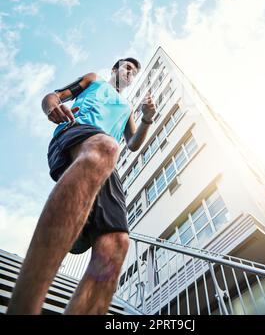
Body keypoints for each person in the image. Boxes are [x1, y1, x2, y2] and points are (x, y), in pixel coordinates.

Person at [6, 57, 156, 315]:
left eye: (134, 71)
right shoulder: (94, 81)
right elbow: (54, 96)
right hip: (75, 131)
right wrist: (52, 108)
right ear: (115, 69)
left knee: (117, 241)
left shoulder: (127, 108)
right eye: (127, 67)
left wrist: (147, 119)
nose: (130, 72)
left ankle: (82, 226)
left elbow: (132, 143)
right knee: (106, 146)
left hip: (106, 157)